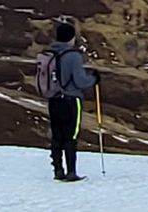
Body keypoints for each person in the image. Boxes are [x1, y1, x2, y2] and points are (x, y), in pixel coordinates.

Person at [42, 21, 99, 181]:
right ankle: (71, 172)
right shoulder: (73, 56)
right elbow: (80, 81)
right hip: (71, 100)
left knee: (57, 135)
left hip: (53, 100)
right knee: (71, 135)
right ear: (72, 38)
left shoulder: (49, 53)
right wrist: (93, 79)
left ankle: (58, 170)